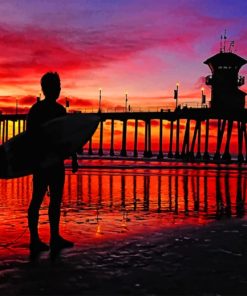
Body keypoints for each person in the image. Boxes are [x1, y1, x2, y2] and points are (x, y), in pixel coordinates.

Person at [27, 72, 78, 254]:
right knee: (42, 200)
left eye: (59, 85)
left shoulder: (46, 110)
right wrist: (72, 157)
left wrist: (73, 158)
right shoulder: (48, 111)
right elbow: (33, 138)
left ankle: (49, 237)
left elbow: (64, 138)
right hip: (47, 162)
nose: (58, 89)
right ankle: (39, 238)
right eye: (56, 86)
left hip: (48, 162)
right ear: (48, 88)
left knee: (49, 200)